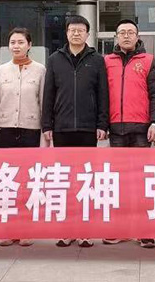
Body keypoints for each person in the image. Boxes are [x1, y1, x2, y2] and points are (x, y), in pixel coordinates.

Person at [42, 15, 109, 248]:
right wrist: (47, 125)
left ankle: (85, 230)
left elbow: (103, 94)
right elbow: (48, 94)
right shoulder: (54, 60)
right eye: (72, 30)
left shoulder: (97, 60)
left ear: (88, 34)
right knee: (65, 181)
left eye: (81, 30)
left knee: (85, 180)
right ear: (66, 33)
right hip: (61, 129)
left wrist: (102, 124)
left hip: (87, 129)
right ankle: (66, 230)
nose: (76, 33)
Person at [104, 19, 155, 249]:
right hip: (116, 129)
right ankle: (120, 228)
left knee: (141, 181)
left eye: (131, 32)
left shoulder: (147, 61)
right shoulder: (107, 61)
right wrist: (102, 124)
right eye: (122, 32)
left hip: (141, 129)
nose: (126, 36)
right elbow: (101, 95)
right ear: (116, 37)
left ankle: (144, 231)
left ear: (138, 37)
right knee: (118, 181)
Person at [0, 28, 45, 248]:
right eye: (12, 42)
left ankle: (26, 229)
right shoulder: (1, 71)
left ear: (29, 45)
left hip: (31, 130)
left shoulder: (40, 70)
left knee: (27, 182)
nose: (16, 46)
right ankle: (9, 229)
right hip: (5, 130)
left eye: (21, 42)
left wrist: (44, 138)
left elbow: (43, 103)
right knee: (7, 181)